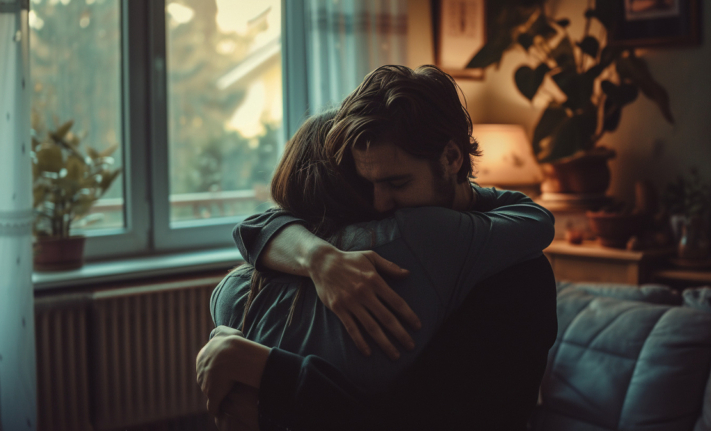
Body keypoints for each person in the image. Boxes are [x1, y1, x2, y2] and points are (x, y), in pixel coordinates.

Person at [197, 65, 558, 430]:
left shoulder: (518, 276)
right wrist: (320, 259)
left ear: (451, 158)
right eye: (368, 185)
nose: (380, 204)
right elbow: (259, 224)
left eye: (396, 182)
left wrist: (271, 379)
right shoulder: (372, 231)